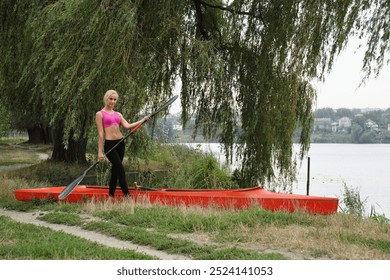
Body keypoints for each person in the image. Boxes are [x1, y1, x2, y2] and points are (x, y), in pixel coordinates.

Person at [96, 89, 150, 198]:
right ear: (106, 99)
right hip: (110, 145)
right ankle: (127, 197)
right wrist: (100, 152)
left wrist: (143, 120)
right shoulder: (100, 114)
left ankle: (110, 197)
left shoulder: (118, 114)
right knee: (121, 170)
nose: (112, 101)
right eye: (110, 99)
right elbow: (101, 134)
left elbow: (127, 126)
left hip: (120, 143)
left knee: (115, 171)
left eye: (115, 99)